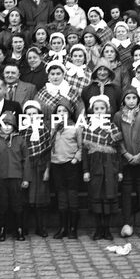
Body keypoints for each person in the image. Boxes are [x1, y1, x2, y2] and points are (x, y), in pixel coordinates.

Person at [113, 87, 140, 238]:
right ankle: (127, 223)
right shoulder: (118, 116)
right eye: (128, 98)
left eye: (134, 98)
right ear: (123, 100)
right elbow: (116, 136)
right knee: (126, 191)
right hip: (125, 160)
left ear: (138, 99)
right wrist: (125, 153)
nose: (131, 101)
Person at [82, 95, 123, 241]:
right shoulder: (88, 128)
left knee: (108, 197)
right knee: (96, 197)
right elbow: (84, 152)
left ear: (107, 110)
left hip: (110, 167)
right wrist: (86, 170)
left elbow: (118, 150)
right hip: (95, 167)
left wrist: (120, 171)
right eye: (96, 109)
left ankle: (107, 229)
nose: (99, 111)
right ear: (92, 111)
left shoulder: (112, 127)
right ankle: (98, 229)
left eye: (102, 108)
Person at [0, 111, 31, 241]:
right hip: (1, 177)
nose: (6, 127)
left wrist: (26, 178)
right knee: (2, 204)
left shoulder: (20, 139)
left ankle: (19, 228)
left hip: (17, 177)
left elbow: (26, 159)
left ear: (14, 126)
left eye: (9, 124)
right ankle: (2, 229)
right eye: (4, 124)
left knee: (18, 204)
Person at [49, 98, 83, 239]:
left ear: (69, 113)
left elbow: (81, 147)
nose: (61, 113)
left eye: (64, 111)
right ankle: (63, 227)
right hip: (57, 164)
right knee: (61, 195)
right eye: (59, 111)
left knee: (72, 195)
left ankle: (73, 228)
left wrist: (76, 158)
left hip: (71, 164)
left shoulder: (75, 128)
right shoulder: (53, 128)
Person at [19, 100, 52, 237]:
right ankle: (24, 226)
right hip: (26, 166)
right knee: (25, 198)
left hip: (41, 166)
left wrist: (47, 169)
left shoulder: (44, 130)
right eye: (29, 114)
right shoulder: (21, 130)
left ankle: (40, 227)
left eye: (34, 113)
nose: (32, 116)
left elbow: (49, 151)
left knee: (40, 198)